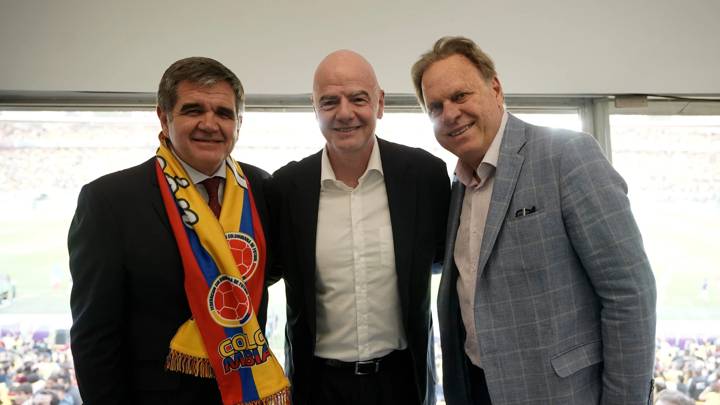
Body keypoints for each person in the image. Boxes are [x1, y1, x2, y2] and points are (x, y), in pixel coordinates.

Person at [411, 36, 657, 404]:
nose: (449, 114)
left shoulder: (567, 157)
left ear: (495, 88)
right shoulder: (458, 185)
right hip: (476, 389)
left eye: (460, 96)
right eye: (435, 106)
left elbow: (630, 294)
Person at [68, 57, 289, 405]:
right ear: (164, 116)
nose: (209, 123)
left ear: (239, 122)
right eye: (193, 110)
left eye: (224, 113)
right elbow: (94, 335)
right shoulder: (110, 200)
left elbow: (268, 271)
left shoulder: (261, 187)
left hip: (247, 392)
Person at [266, 50, 450, 405]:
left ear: (379, 104)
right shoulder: (286, 187)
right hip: (318, 385)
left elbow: (443, 258)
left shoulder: (424, 176)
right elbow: (270, 270)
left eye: (358, 99)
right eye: (329, 101)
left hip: (403, 381)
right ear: (315, 108)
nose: (344, 113)